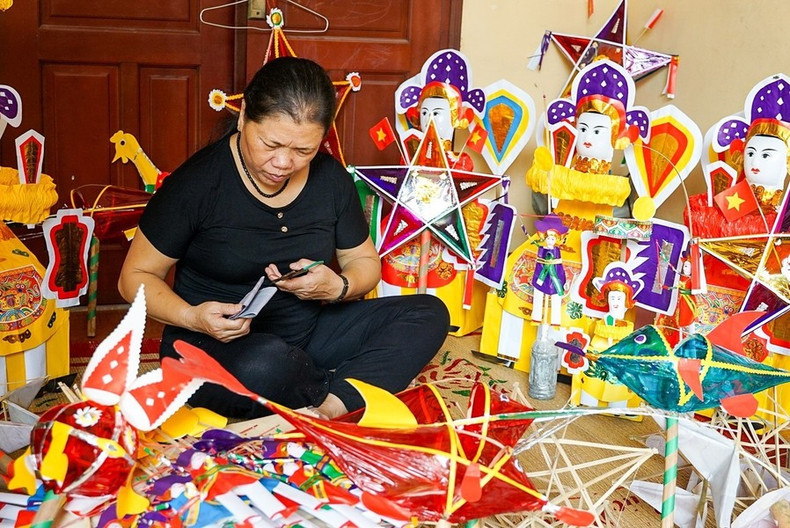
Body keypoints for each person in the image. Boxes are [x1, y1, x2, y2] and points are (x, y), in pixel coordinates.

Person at [119, 57, 450, 420]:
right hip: (211, 346)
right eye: (271, 143)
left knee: (428, 314)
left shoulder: (329, 179)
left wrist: (338, 286)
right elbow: (133, 278)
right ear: (244, 115)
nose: (282, 162)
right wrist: (194, 316)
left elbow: (364, 264)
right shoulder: (196, 185)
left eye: (303, 151)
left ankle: (328, 407)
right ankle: (342, 387)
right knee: (265, 365)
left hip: (307, 337)